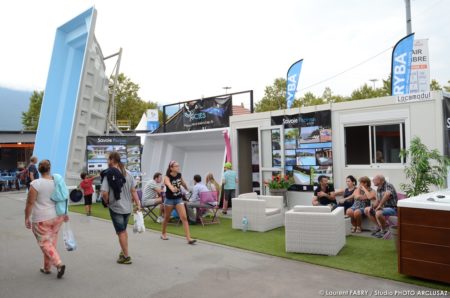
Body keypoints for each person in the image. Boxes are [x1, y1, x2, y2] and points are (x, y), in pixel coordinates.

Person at [24, 159, 68, 278]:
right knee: (50, 243)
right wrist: (65, 213)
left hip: (41, 219)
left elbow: (29, 203)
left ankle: (59, 264)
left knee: (44, 243)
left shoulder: (35, 184)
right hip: (57, 217)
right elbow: (63, 197)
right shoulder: (56, 182)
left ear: (39, 169)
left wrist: (26, 218)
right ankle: (47, 268)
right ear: (49, 169)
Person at [101, 152, 141, 264]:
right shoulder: (128, 173)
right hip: (128, 207)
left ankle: (126, 256)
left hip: (116, 207)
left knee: (121, 232)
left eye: (108, 160)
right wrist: (138, 204)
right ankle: (124, 252)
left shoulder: (109, 173)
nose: (107, 162)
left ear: (112, 160)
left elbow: (104, 193)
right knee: (123, 231)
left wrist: (107, 202)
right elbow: (133, 190)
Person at [161, 160, 196, 244]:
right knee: (166, 218)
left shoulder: (179, 175)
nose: (178, 167)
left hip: (178, 199)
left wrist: (187, 189)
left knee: (184, 217)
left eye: (178, 166)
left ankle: (188, 238)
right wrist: (172, 188)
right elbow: (169, 185)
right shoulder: (166, 177)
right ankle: (163, 233)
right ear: (171, 168)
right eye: (176, 166)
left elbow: (183, 183)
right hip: (169, 200)